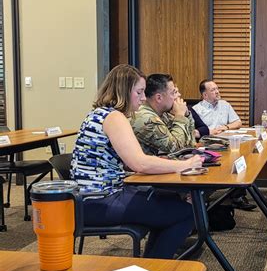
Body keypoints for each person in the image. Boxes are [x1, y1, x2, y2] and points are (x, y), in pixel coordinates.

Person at [71, 64, 202, 259]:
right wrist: (185, 165)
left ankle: (155, 260)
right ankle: (156, 264)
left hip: (90, 199)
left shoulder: (99, 114)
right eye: (139, 92)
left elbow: (128, 161)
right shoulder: (114, 117)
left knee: (170, 201)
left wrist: (161, 162)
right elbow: (139, 164)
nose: (143, 98)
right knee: (187, 211)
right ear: (124, 91)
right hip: (98, 202)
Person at [193, 79, 255, 211]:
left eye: (217, 88)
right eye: (213, 90)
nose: (217, 92)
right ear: (204, 95)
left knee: (241, 157)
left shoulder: (224, 105)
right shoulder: (196, 110)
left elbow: (238, 122)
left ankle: (238, 196)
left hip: (226, 143)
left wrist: (226, 127)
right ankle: (206, 196)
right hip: (208, 146)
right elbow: (195, 133)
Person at [131, 74, 195, 155]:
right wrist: (180, 116)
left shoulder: (164, 114)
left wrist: (187, 115)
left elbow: (190, 145)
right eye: (173, 93)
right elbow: (176, 149)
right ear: (159, 98)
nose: (177, 97)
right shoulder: (145, 118)